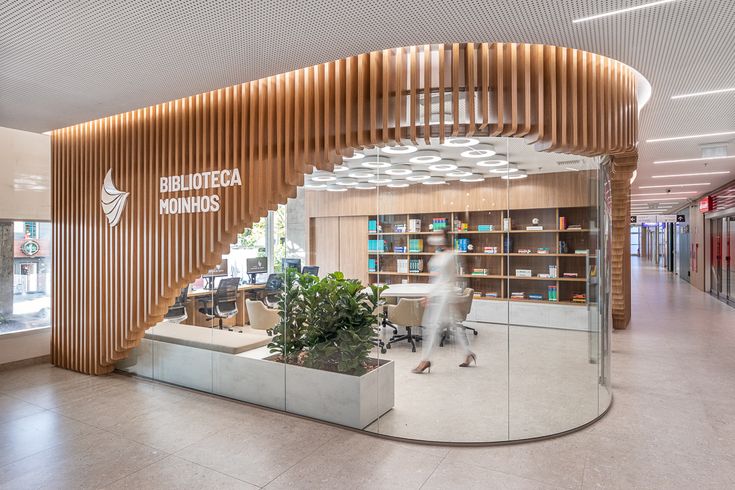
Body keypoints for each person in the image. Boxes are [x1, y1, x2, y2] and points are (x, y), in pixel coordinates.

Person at [412, 229, 476, 374]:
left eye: (437, 235)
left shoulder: (452, 255)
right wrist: (430, 293)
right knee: (451, 324)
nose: (433, 237)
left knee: (432, 326)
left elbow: (450, 278)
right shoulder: (438, 254)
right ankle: (468, 354)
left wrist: (431, 295)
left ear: (444, 237)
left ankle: (425, 360)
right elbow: (434, 278)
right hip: (439, 294)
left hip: (445, 294)